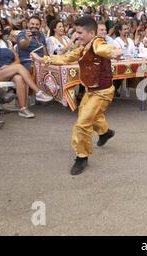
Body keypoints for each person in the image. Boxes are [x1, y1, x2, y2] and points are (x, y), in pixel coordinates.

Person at [32, 16, 123, 175]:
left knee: (82, 124)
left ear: (92, 33)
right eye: (76, 32)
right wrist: (43, 59)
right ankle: (105, 132)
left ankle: (82, 157)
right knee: (89, 116)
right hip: (90, 91)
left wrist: (115, 51)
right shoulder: (83, 47)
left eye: (80, 32)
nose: (77, 35)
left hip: (102, 93)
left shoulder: (97, 43)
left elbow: (104, 49)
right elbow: (66, 58)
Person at [0, 19, 53, 118]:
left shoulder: (7, 42)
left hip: (10, 69)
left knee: (19, 78)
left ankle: (23, 109)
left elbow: (17, 60)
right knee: (19, 67)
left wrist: (10, 67)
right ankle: (38, 92)